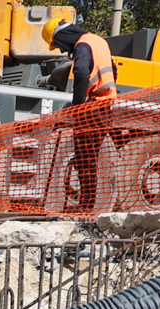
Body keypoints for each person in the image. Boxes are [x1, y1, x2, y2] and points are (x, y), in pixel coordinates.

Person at [51, 21, 118, 210]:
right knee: (91, 158)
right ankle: (88, 205)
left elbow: (80, 72)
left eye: (59, 45)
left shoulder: (82, 45)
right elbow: (113, 70)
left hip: (91, 109)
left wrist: (78, 104)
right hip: (105, 107)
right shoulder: (99, 41)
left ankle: (86, 206)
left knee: (83, 158)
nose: (64, 50)